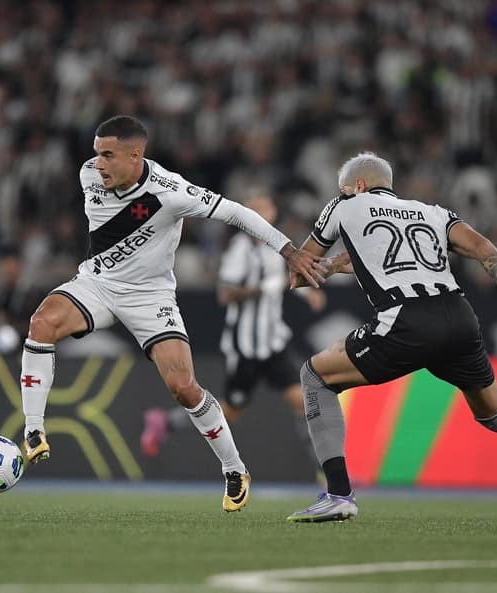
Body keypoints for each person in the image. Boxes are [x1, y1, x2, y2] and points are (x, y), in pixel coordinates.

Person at [285, 152, 497, 524]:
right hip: (459, 316)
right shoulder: (431, 212)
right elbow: (486, 251)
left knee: (315, 377)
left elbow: (302, 273)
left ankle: (338, 495)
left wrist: (333, 263)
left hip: (406, 319)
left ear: (358, 186)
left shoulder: (343, 204)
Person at [18, 115, 325, 512]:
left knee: (183, 386)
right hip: (98, 283)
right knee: (42, 323)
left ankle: (234, 469)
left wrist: (290, 251)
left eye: (108, 155)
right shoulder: (89, 174)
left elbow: (237, 213)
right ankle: (34, 430)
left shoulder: (172, 191)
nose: (98, 164)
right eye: (97, 154)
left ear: (135, 155)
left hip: (151, 297)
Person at [140, 194, 327, 476]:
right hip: (245, 346)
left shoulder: (275, 247)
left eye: (267, 208)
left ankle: (326, 472)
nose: (263, 215)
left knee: (303, 402)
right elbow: (225, 295)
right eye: (257, 210)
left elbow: (283, 280)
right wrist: (263, 288)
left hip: (273, 342)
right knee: (229, 413)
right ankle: (167, 421)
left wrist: (306, 293)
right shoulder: (240, 250)